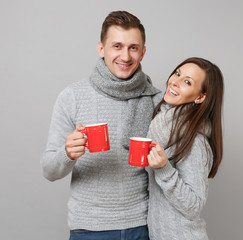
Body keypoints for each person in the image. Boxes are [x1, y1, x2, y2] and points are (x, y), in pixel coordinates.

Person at [41, 11, 161, 240]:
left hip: (142, 226)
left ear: (143, 52)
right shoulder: (73, 96)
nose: (125, 56)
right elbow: (48, 170)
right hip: (88, 228)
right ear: (101, 49)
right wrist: (67, 153)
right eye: (117, 46)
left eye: (133, 48)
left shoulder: (156, 100)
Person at [146, 57, 224, 239]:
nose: (175, 82)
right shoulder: (165, 127)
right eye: (177, 74)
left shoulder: (196, 141)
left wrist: (164, 169)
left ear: (200, 97)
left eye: (187, 82)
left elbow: (194, 206)